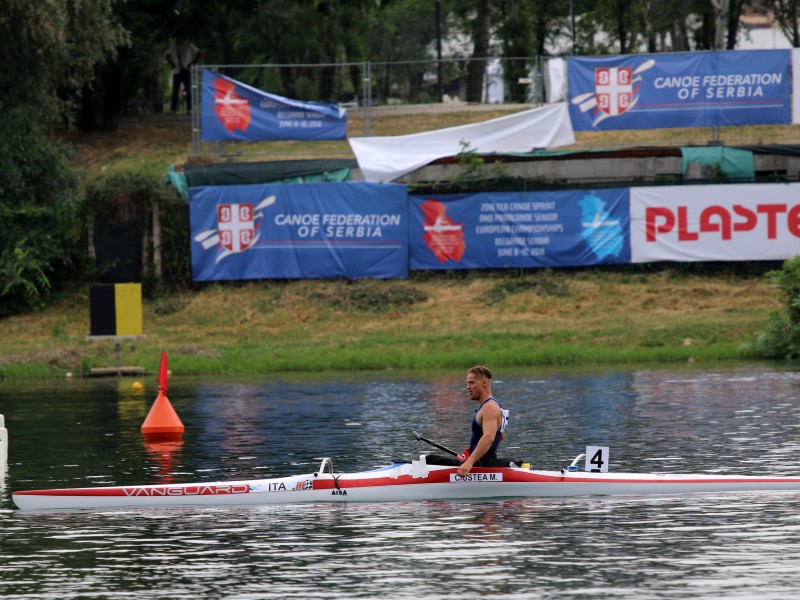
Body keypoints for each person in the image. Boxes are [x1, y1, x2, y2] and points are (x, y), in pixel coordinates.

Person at [456, 365, 508, 477]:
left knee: (429, 460)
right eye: (467, 383)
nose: (467, 387)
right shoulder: (495, 406)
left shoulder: (490, 407)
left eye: (471, 383)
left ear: (484, 383)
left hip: (483, 464)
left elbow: (489, 438)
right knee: (433, 459)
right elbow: (501, 435)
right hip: (479, 461)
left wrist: (469, 462)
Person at [166, 37, 200, 113]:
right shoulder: (174, 47)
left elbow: (198, 53)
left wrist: (192, 63)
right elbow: (167, 55)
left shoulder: (189, 45)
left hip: (187, 70)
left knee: (188, 90)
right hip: (177, 70)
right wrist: (172, 64)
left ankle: (189, 108)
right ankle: (173, 109)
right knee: (175, 90)